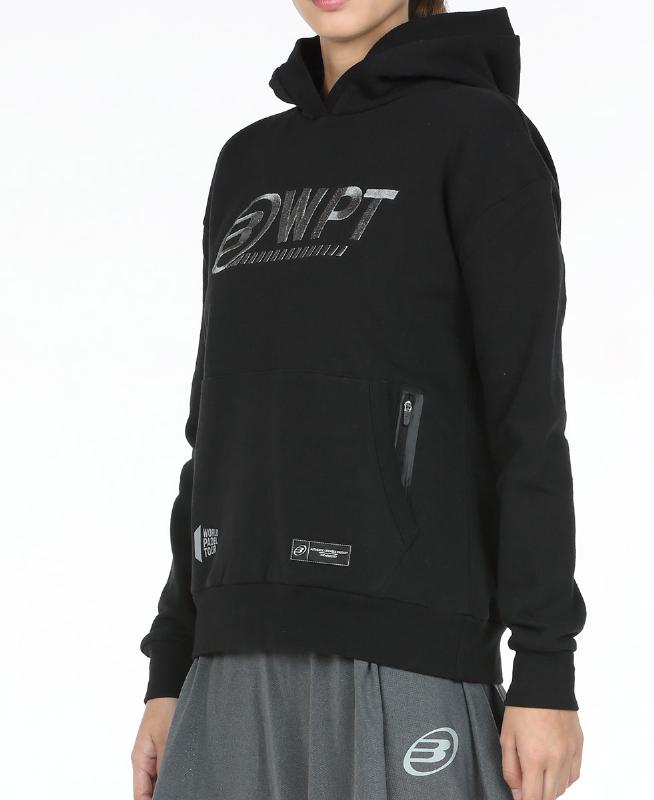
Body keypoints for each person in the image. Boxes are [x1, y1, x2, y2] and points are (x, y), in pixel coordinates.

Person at [131, 2, 587, 798]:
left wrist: (546, 667)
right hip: (229, 665)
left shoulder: (481, 139)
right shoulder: (247, 161)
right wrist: (171, 665)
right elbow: (217, 430)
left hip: (409, 653)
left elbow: (527, 421)